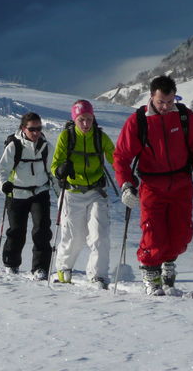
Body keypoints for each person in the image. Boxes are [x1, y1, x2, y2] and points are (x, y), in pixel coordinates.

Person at [113, 75, 193, 295]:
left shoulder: (185, 117)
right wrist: (126, 185)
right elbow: (121, 157)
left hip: (181, 184)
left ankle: (168, 262)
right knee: (153, 234)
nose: (166, 107)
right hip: (152, 186)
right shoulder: (138, 121)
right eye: (161, 102)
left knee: (181, 236)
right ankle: (150, 272)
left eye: (170, 102)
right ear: (152, 96)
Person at [51, 99, 115, 288]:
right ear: (75, 119)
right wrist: (61, 170)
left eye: (89, 119)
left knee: (99, 235)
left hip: (96, 192)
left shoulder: (100, 137)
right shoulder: (67, 137)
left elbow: (115, 158)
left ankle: (98, 276)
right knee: (73, 237)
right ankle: (63, 269)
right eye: (81, 120)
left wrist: (127, 174)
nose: (86, 124)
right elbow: (55, 164)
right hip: (72, 193)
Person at [0, 112, 58, 280]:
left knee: (42, 231)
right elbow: (0, 171)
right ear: (23, 128)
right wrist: (4, 185)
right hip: (16, 193)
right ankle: (11, 263)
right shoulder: (14, 146)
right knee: (16, 231)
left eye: (39, 128)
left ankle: (40, 268)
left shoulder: (46, 147)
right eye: (32, 129)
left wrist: (61, 195)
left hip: (40, 193)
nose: (36, 132)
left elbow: (53, 173)